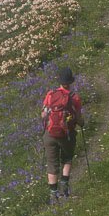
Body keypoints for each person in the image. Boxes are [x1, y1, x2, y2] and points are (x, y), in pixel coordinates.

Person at [42, 67, 83, 203]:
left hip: (50, 134)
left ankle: (53, 195)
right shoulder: (74, 97)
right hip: (66, 135)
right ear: (70, 82)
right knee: (67, 159)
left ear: (59, 81)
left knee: (52, 164)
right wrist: (81, 123)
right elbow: (78, 117)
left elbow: (43, 114)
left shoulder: (50, 94)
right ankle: (64, 187)